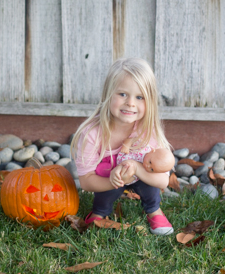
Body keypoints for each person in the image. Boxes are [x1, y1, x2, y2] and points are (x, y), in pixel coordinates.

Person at [70, 58, 175, 235]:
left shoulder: (148, 132)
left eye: (139, 97)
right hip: (108, 179)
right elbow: (87, 182)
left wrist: (136, 168)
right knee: (106, 194)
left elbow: (163, 181)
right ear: (107, 95)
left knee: (150, 189)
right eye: (123, 94)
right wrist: (112, 181)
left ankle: (154, 210)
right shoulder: (92, 135)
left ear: (149, 101)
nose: (131, 103)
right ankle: (99, 212)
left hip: (142, 177)